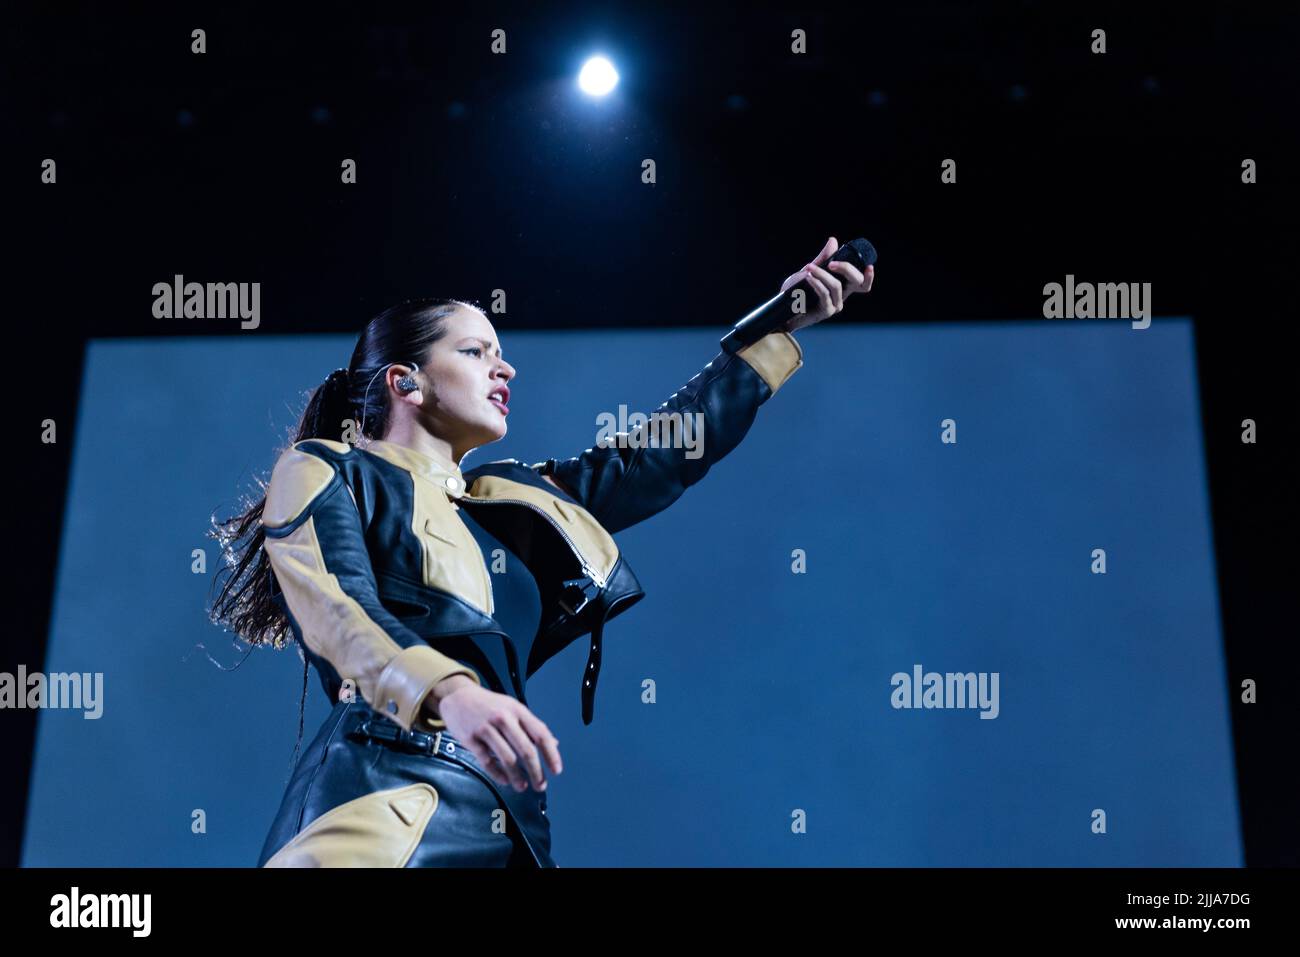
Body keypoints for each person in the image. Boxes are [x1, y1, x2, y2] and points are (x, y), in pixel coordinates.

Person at [208, 237, 874, 867]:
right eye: (475, 351)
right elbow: (334, 607)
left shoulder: (521, 499)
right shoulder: (331, 468)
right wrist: (450, 690)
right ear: (403, 382)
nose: (506, 366)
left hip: (513, 820)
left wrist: (777, 327)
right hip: (385, 791)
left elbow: (662, 453)